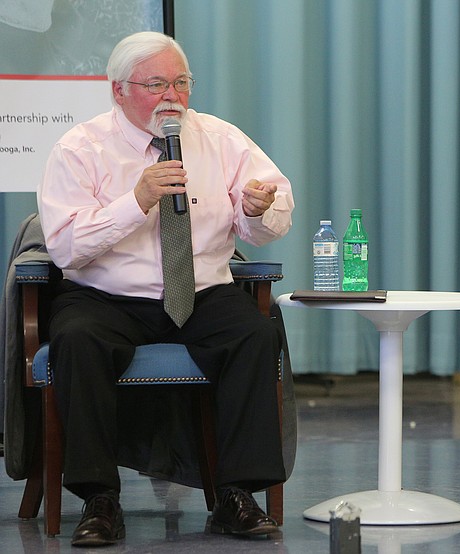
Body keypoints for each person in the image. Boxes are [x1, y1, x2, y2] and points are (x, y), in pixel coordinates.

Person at [37, 31, 294, 546]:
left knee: (255, 335)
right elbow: (65, 248)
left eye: (181, 82)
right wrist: (135, 201)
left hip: (201, 292)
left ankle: (236, 496)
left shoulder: (221, 138)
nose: (172, 96)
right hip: (107, 298)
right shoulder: (80, 148)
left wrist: (256, 210)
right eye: (156, 84)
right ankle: (99, 500)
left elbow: (275, 208)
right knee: (78, 340)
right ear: (119, 91)